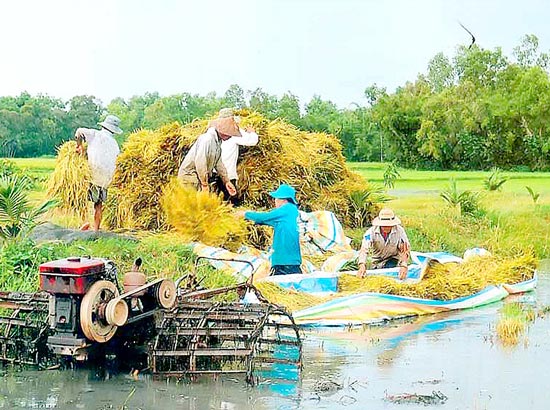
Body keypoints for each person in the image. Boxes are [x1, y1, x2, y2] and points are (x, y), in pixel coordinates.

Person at [236, 184, 302, 276]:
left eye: (275, 198)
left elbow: (265, 217)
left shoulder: (286, 209)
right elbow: (267, 220)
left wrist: (245, 214)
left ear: (282, 199)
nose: (274, 201)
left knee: (282, 286)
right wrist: (251, 221)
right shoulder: (291, 212)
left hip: (284, 262)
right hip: (290, 261)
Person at [75, 114, 122, 231]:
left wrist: (79, 146)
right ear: (114, 131)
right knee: (98, 204)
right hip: (106, 178)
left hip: (92, 174)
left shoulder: (95, 134)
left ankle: (85, 226)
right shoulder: (115, 144)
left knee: (82, 200)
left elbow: (79, 131)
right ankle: (95, 228)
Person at [177, 116, 237, 197]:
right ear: (223, 131)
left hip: (198, 178)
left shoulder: (217, 143)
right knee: (192, 205)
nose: (231, 136)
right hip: (189, 177)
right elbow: (200, 162)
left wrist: (226, 181)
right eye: (230, 133)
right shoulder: (207, 139)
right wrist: (204, 184)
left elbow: (219, 164)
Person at [213, 108, 258, 205]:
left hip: (212, 173)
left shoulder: (212, 131)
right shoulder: (233, 132)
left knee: (215, 203)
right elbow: (252, 141)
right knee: (231, 203)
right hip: (227, 176)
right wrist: (252, 132)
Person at [357, 208, 411, 280]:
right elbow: (364, 249)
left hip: (393, 258)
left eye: (388, 225)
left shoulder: (399, 231)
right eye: (384, 225)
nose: (386, 227)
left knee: (389, 277)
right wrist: (362, 264)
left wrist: (404, 264)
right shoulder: (371, 232)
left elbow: (405, 249)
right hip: (377, 260)